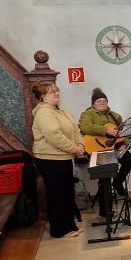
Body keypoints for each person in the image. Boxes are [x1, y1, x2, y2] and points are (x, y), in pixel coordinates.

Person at [31, 82, 85, 238]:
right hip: (50, 158)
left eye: (57, 90)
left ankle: (69, 226)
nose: (57, 93)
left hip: (63, 156)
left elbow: (76, 129)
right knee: (57, 194)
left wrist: (80, 144)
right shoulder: (43, 112)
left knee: (67, 192)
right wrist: (75, 149)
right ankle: (60, 230)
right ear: (43, 97)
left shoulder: (61, 110)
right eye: (52, 92)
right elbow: (54, 136)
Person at [78, 88, 131, 198]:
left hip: (115, 147)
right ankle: (105, 205)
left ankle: (117, 182)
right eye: (99, 101)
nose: (102, 103)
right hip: (99, 150)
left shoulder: (115, 116)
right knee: (105, 174)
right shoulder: (87, 114)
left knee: (129, 160)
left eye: (104, 100)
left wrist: (125, 143)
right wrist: (106, 130)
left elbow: (125, 131)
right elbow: (85, 127)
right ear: (93, 104)